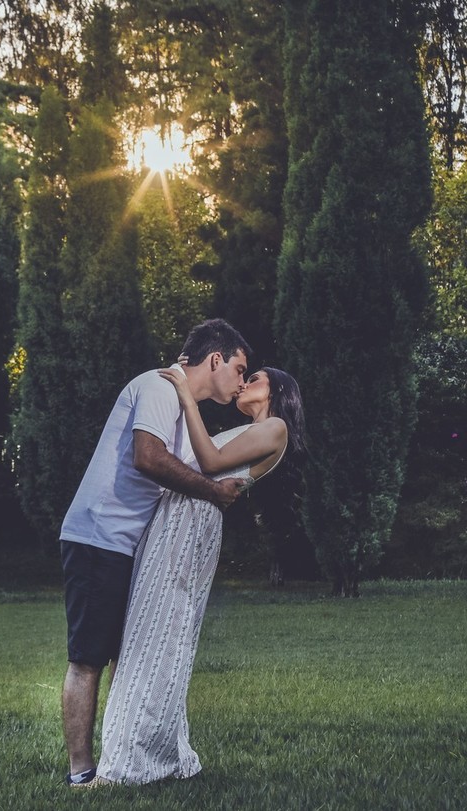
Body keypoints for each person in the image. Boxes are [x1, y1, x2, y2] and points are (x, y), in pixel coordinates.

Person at [60, 319, 253, 788]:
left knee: (124, 657)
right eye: (239, 368)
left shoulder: (184, 410)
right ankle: (81, 774)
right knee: (88, 657)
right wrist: (213, 492)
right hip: (100, 536)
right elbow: (147, 457)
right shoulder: (158, 386)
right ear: (215, 359)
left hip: (130, 545)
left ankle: (120, 762)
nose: (242, 381)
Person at [96, 363, 306, 785]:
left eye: (255, 377)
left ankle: (130, 763)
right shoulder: (250, 431)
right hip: (179, 517)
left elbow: (209, 461)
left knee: (162, 629)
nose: (245, 382)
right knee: (153, 629)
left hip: (191, 523)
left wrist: (186, 396)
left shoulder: (276, 428)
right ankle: (162, 753)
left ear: (278, 392)